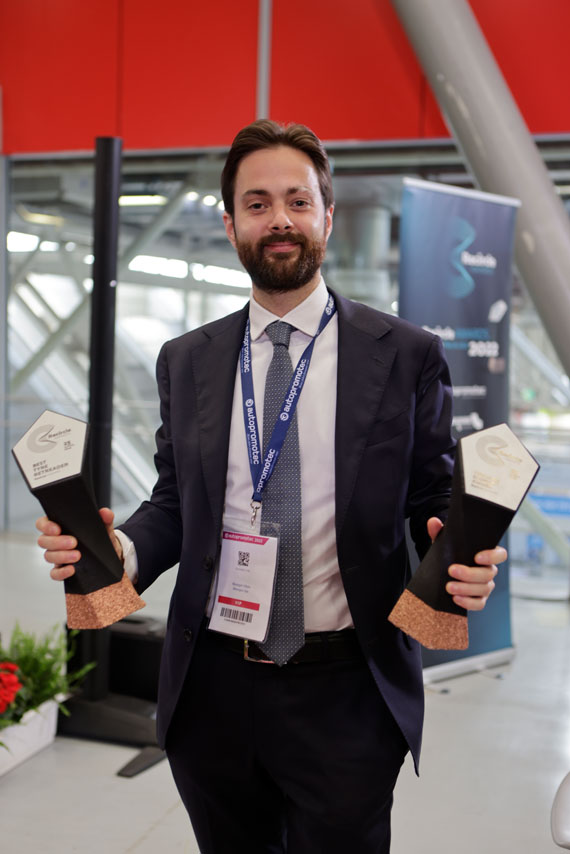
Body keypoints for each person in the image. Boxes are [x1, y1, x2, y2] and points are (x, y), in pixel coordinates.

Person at [37, 120, 505, 853]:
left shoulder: (405, 354)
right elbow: (175, 500)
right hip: (213, 687)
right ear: (231, 225)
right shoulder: (186, 359)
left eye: (297, 200)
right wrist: (119, 551)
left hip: (347, 689)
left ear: (328, 216)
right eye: (257, 204)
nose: (279, 218)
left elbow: (430, 498)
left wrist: (456, 559)